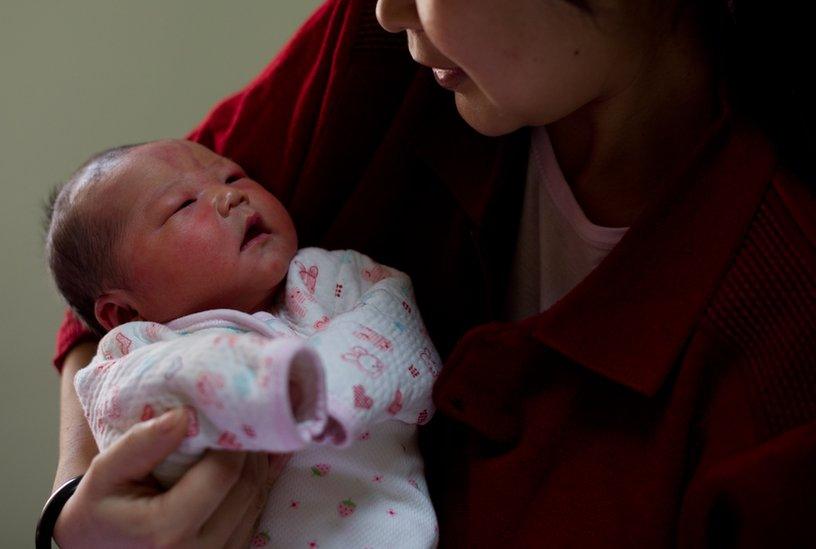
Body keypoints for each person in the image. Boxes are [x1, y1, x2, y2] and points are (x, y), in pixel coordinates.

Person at [45, 0, 816, 547]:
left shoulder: (777, 338)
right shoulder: (386, 61)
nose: (386, 11)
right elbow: (111, 252)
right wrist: (76, 502)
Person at [45, 138, 440, 547]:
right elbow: (151, 403)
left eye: (234, 176)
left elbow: (399, 335)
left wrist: (317, 388)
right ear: (125, 312)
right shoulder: (132, 351)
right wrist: (256, 386)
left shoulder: (330, 276)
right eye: (183, 204)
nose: (230, 195)